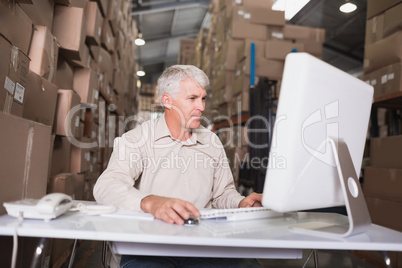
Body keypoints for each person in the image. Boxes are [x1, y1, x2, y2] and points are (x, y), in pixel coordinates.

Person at [93, 65, 263, 268]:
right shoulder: (137, 139)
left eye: (203, 98)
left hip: (203, 243)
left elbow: (222, 194)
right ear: (167, 101)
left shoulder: (211, 142)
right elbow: (106, 186)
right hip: (149, 246)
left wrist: (241, 204)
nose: (201, 107)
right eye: (192, 98)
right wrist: (150, 203)